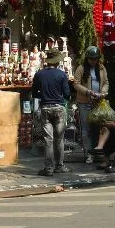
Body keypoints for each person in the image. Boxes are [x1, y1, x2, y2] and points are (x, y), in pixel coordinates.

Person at [30, 48, 73, 176]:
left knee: (48, 140)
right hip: (59, 108)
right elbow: (66, 94)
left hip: (45, 108)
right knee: (59, 139)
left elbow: (34, 93)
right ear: (57, 61)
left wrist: (44, 93)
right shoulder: (61, 75)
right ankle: (60, 166)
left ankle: (48, 168)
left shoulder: (39, 74)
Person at [71, 46, 108, 164]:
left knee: (100, 128)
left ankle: (98, 152)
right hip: (85, 103)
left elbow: (106, 82)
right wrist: (87, 92)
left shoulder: (102, 68)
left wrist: (102, 93)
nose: (93, 61)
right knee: (86, 130)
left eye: (95, 59)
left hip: (98, 102)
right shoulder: (81, 69)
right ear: (87, 58)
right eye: (91, 59)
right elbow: (76, 84)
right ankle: (88, 154)